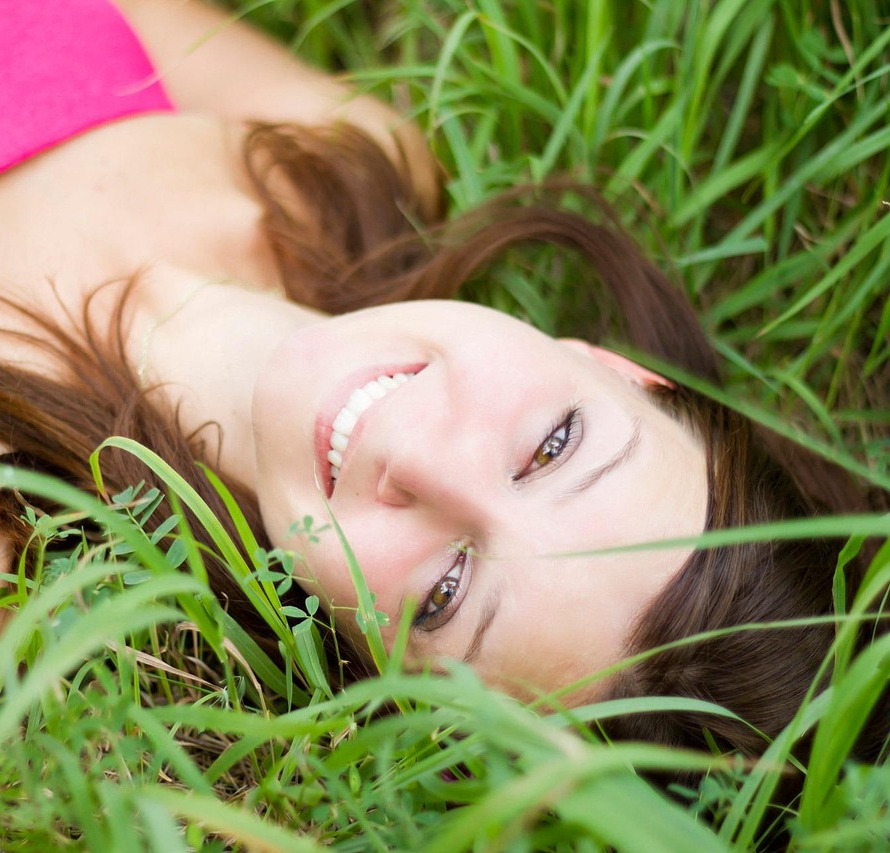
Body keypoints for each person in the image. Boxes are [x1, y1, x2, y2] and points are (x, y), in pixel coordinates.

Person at [0, 0, 886, 784]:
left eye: (445, 594)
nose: (417, 453)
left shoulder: (19, 515)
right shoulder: (351, 152)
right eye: (552, 445)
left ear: (381, 671)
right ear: (614, 364)